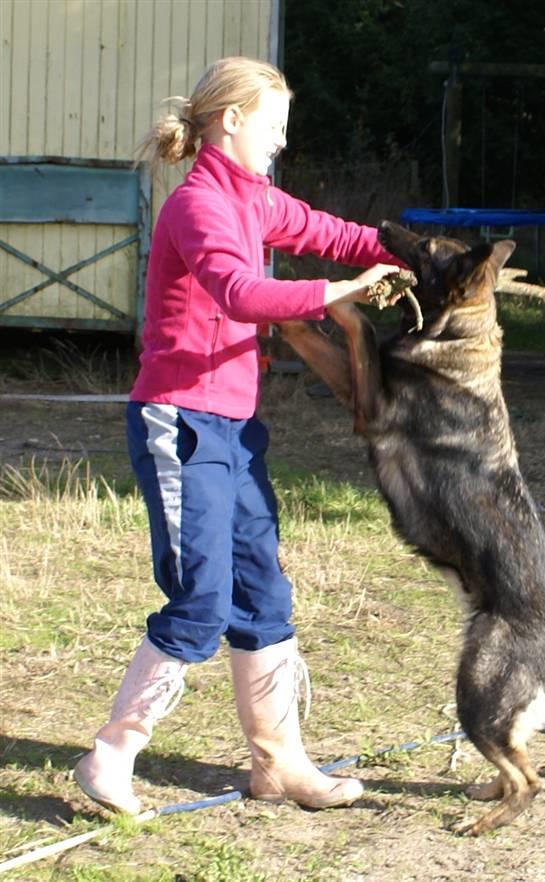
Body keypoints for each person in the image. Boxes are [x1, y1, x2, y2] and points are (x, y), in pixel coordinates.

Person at [73, 56, 402, 815]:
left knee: (263, 593)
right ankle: (111, 755)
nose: (281, 142)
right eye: (275, 126)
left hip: (234, 426)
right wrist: (337, 292)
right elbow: (240, 291)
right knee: (202, 600)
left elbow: (331, 231)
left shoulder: (253, 199)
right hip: (179, 423)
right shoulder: (197, 207)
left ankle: (279, 764)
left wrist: (405, 255)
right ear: (232, 121)